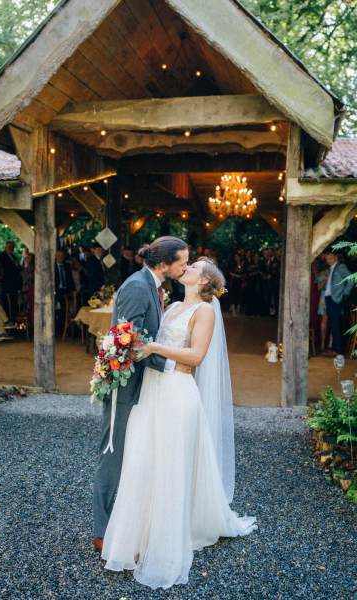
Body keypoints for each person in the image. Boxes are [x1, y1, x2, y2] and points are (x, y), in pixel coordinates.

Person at [101, 257, 257, 589]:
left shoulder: (204, 311)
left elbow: (196, 356)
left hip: (178, 393)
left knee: (170, 465)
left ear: (203, 281)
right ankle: (138, 536)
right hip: (152, 391)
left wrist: (153, 346)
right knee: (142, 461)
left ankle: (166, 540)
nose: (185, 268)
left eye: (194, 266)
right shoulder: (170, 307)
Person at [92, 236, 189, 553]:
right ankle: (102, 531)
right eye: (182, 262)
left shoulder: (154, 285)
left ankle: (124, 523)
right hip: (124, 384)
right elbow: (127, 341)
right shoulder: (136, 286)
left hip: (139, 381)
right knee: (113, 451)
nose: (186, 267)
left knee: (130, 451)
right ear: (164, 264)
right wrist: (170, 365)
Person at [322, 251, 353, 357]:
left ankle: (338, 350)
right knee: (333, 324)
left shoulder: (341, 266)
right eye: (327, 258)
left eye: (330, 257)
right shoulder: (330, 269)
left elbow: (351, 279)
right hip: (329, 298)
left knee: (335, 324)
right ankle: (335, 348)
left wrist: (345, 293)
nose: (328, 260)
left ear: (336, 258)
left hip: (336, 298)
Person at [0, 241, 22, 318]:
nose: (10, 248)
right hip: (6, 284)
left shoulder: (14, 257)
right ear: (5, 247)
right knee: (7, 304)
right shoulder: (2, 257)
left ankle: (14, 319)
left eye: (12, 247)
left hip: (14, 284)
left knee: (14, 303)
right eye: (9, 247)